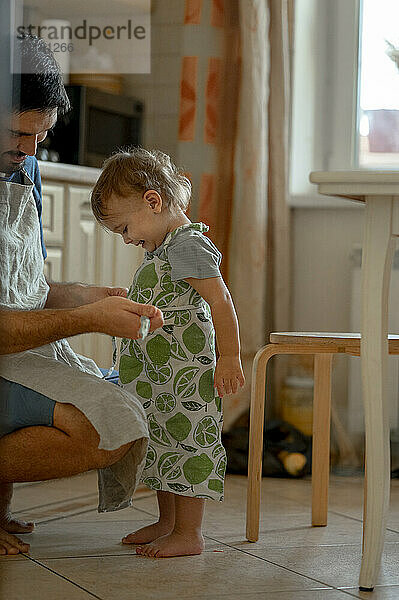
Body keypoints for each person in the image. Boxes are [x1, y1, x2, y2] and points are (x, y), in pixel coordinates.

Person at [0, 35, 163, 556]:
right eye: (16, 135)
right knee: (94, 427)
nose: (29, 151)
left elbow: (26, 289)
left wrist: (94, 296)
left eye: (39, 136)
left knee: (131, 406)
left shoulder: (22, 171)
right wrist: (90, 319)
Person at [90, 147, 245, 558]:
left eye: (125, 228)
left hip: (187, 377)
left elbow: (221, 302)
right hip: (161, 377)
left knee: (188, 445)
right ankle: (167, 522)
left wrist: (229, 357)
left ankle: (189, 533)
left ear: (153, 202)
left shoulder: (187, 245)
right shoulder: (159, 248)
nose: (126, 239)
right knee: (162, 444)